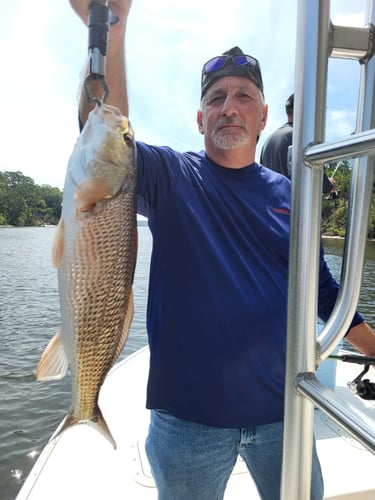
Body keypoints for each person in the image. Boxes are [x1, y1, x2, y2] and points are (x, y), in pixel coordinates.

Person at [69, 2, 375, 499]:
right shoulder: (172, 177)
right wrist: (112, 35)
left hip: (283, 411)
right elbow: (105, 144)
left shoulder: (293, 195)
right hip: (189, 423)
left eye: (243, 96)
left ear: (263, 116)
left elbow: (322, 292)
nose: (229, 106)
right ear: (199, 117)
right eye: (215, 98)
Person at [260, 93, 335, 194]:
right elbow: (320, 183)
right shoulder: (302, 138)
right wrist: (329, 185)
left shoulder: (268, 141)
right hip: (294, 208)